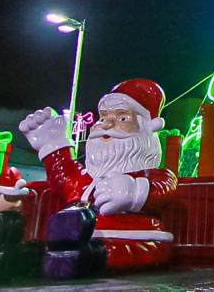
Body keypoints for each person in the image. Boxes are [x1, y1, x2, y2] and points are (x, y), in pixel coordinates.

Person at [19, 79, 177, 278]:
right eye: (102, 118)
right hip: (83, 235)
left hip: (134, 239)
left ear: (147, 128)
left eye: (122, 118)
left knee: (102, 254)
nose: (107, 125)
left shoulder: (152, 174)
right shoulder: (89, 181)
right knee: (54, 246)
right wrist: (52, 144)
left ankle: (86, 258)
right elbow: (66, 180)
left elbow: (164, 188)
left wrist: (132, 192)